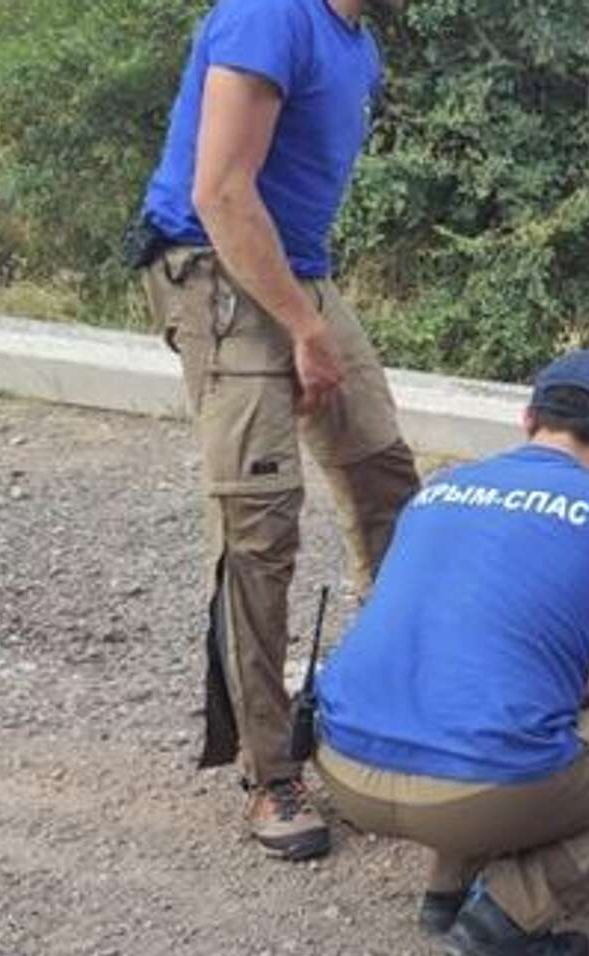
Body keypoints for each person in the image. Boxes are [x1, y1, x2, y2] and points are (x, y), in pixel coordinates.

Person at [312, 350, 589, 956]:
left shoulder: (437, 491)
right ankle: (508, 914)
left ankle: (445, 893)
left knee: (480, 702)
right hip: (473, 793)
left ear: (527, 421)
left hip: (342, 765)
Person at [132, 0, 420, 861]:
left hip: (297, 273)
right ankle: (269, 772)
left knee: (386, 486)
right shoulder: (269, 15)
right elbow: (219, 191)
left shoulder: (356, 40)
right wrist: (302, 328)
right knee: (261, 524)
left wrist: (309, 312)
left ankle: (389, 708)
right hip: (214, 273)